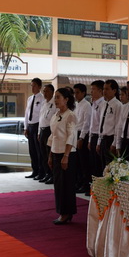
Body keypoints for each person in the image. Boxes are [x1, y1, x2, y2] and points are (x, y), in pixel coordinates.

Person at [47, 87, 78, 225]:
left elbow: (71, 136)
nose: (55, 100)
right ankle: (62, 211)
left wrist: (66, 156)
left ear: (66, 99)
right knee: (58, 185)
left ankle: (67, 212)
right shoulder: (55, 115)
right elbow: (53, 136)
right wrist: (50, 155)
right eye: (55, 97)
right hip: (56, 153)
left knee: (66, 185)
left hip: (67, 154)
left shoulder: (70, 115)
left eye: (58, 97)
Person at [96, 79, 122, 169]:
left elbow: (118, 125)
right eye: (104, 89)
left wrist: (115, 143)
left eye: (107, 89)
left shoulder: (118, 105)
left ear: (114, 91)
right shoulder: (103, 104)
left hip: (111, 139)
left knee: (111, 167)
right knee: (103, 167)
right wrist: (99, 141)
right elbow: (101, 124)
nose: (104, 91)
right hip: (103, 139)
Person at [73, 83, 91, 193]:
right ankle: (78, 182)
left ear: (83, 93)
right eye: (74, 92)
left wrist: (81, 138)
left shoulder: (87, 105)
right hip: (75, 133)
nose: (75, 95)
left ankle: (86, 185)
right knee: (77, 162)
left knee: (84, 162)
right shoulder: (76, 105)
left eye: (78, 92)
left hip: (82, 134)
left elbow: (86, 123)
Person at [24, 78, 44, 179]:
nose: (32, 88)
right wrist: (25, 127)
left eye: (34, 86)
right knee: (32, 150)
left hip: (37, 125)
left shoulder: (42, 99)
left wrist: (39, 130)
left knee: (38, 151)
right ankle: (34, 171)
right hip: (30, 126)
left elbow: (41, 115)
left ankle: (41, 172)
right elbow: (27, 114)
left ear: (39, 87)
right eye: (31, 85)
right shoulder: (30, 99)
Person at [85, 80, 105, 182]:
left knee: (98, 165)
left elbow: (101, 124)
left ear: (100, 91)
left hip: (99, 136)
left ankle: (99, 186)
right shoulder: (94, 103)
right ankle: (93, 185)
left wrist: (98, 142)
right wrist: (89, 140)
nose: (91, 92)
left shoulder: (103, 104)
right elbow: (92, 123)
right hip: (92, 136)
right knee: (92, 163)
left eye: (93, 89)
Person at [36, 84, 56, 184]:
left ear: (52, 92)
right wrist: (39, 132)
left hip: (50, 130)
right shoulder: (44, 103)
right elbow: (40, 119)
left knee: (49, 154)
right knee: (43, 154)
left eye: (47, 91)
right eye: (44, 91)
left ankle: (52, 175)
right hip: (43, 130)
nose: (45, 93)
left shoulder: (55, 103)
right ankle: (47, 173)